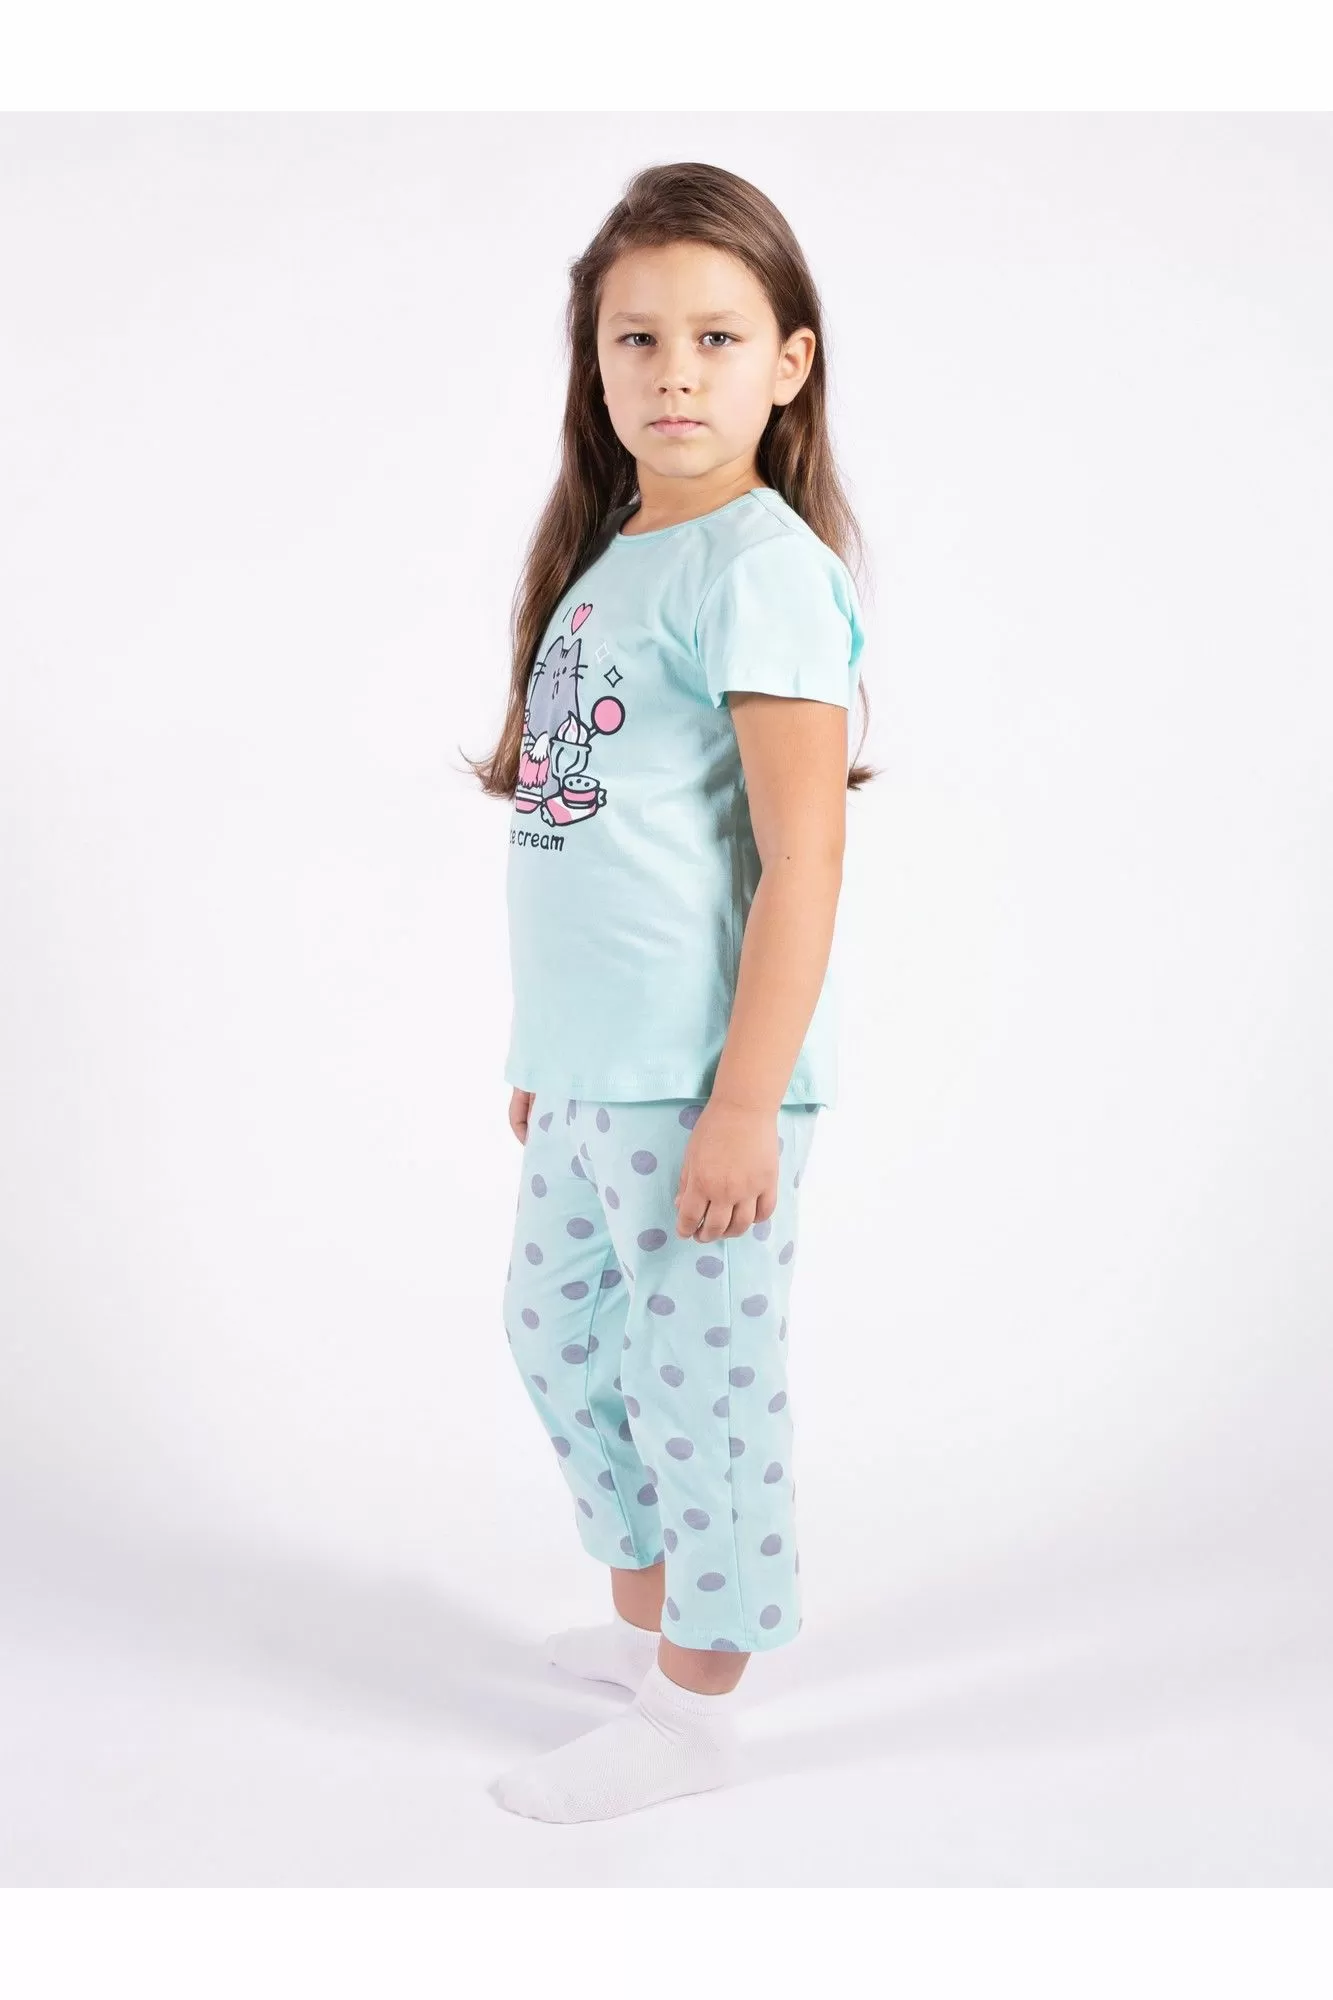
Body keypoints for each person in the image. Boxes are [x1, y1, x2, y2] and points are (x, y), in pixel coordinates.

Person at [466, 160, 876, 1822]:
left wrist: (741, 1103)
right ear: (596, 359)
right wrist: (552, 1053)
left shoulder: (760, 568)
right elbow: (600, 836)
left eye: (717, 336)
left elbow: (804, 862)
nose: (675, 372)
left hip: (703, 1084)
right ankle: (657, 1625)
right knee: (555, 1332)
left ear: (788, 362)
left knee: (700, 1387)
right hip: (596, 1067)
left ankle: (697, 1708)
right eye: (637, 337)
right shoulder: (618, 549)